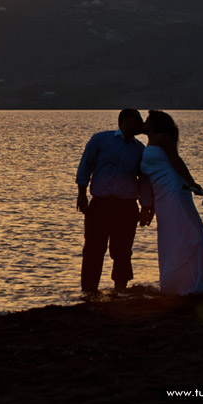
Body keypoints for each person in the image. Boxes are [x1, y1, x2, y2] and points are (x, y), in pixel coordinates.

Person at [75, 109, 154, 293]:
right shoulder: (101, 140)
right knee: (93, 249)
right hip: (100, 204)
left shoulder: (139, 149)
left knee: (123, 251)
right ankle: (88, 291)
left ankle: (120, 290)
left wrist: (146, 206)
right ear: (125, 120)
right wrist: (81, 193)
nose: (141, 123)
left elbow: (143, 180)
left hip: (126, 206)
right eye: (137, 119)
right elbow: (86, 166)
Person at [139, 110, 203, 295]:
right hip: (161, 194)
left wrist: (192, 183)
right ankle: (174, 283)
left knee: (186, 230)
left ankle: (192, 282)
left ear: (154, 123)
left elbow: (176, 161)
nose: (144, 123)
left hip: (173, 189)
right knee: (169, 235)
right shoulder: (147, 142)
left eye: (147, 120)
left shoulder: (163, 137)